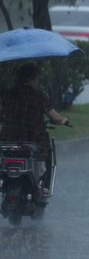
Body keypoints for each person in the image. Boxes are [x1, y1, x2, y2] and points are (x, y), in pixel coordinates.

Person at [0, 63, 68, 196]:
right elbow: (56, 118)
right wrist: (63, 120)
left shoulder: (7, 95)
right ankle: (44, 187)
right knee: (47, 154)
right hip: (33, 142)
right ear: (31, 78)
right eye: (36, 78)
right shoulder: (40, 97)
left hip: (8, 141)